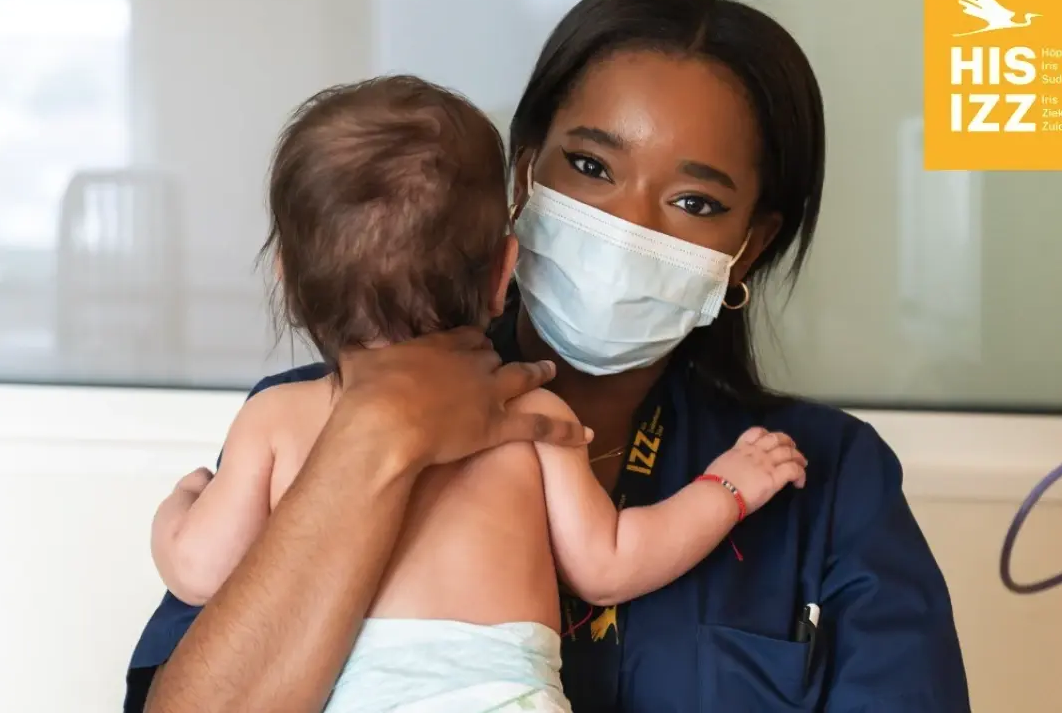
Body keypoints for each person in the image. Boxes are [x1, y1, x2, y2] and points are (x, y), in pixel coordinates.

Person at [127, 0, 971, 713]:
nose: (627, 226)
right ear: (523, 181)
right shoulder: (310, 422)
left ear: (748, 246)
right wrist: (374, 441)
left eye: (696, 203)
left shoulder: (823, 480)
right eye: (593, 168)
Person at [146, 74, 808, 713]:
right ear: (502, 273)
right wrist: (727, 489)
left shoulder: (276, 417)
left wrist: (181, 507)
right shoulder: (535, 415)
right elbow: (609, 566)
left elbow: (202, 573)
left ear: (289, 282)